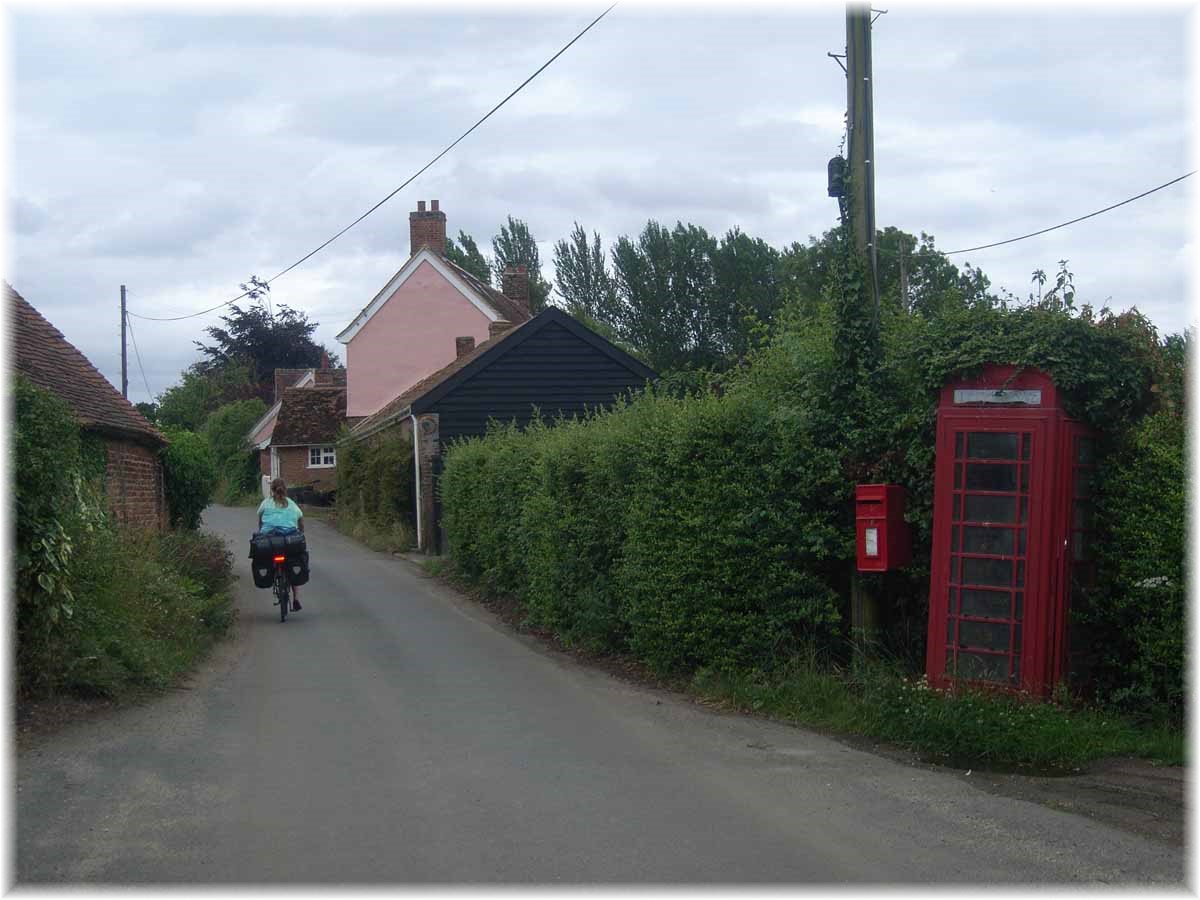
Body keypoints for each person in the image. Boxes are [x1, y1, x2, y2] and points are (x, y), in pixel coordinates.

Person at [257, 477, 305, 611]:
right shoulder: (292, 504)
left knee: (268, 557)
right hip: (289, 540)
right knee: (293, 562)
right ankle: (296, 599)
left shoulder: (266, 503)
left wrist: (261, 531)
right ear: (285, 490)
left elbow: (260, 520)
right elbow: (300, 520)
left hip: (270, 539)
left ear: (272, 490)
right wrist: (301, 533)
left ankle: (273, 575)